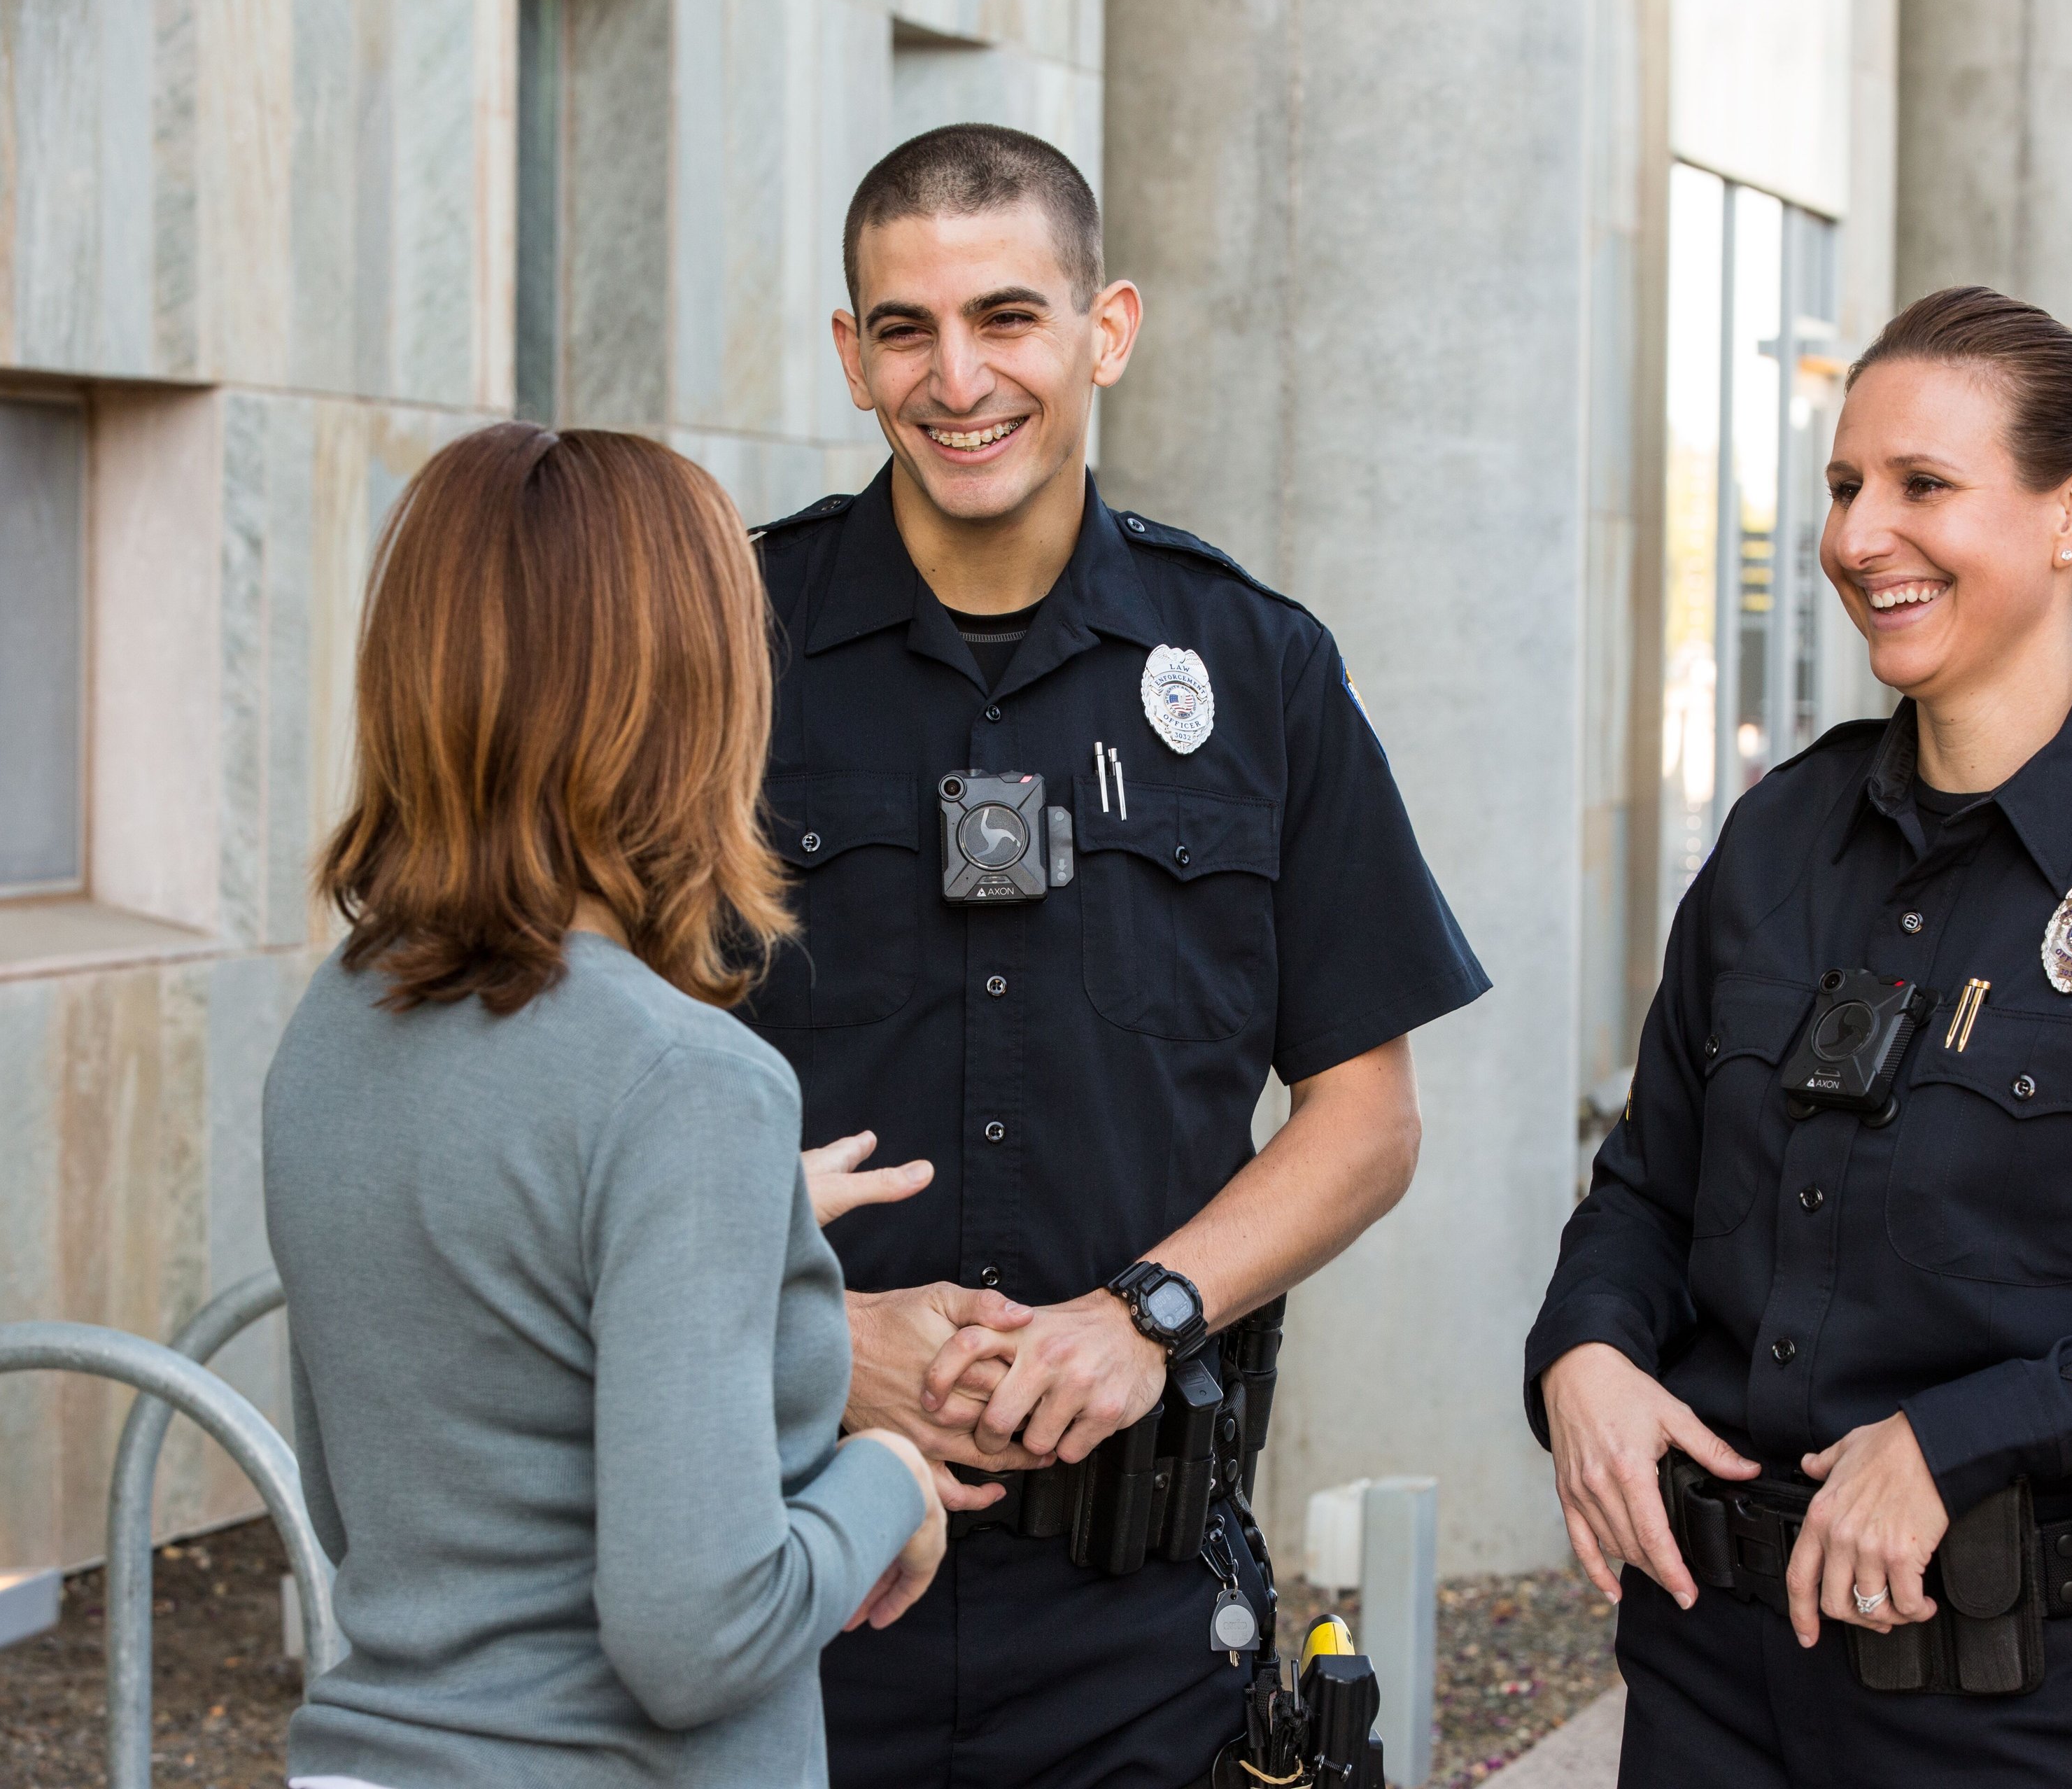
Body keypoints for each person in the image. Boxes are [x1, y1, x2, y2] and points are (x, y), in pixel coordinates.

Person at [1525, 286, 2072, 1786]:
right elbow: (1648, 1189)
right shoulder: (1777, 834)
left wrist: (1965, 1433)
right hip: (1714, 1684)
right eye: (1847, 485)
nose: (1861, 536)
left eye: (1924, 486)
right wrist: (1583, 1351)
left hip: (2044, 1701)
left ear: (2071, 517)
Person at [740, 123, 1490, 1788]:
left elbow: (1368, 1120)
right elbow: (579, 1096)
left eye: (1008, 317)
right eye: (908, 329)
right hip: (779, 1578)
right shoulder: (721, 651)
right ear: (851, 357)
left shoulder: (1260, 666)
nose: (960, 378)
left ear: (1107, 329)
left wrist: (1145, 1314)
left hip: (1134, 1621)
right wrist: (806, 1332)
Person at [265, 423, 947, 1788]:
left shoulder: (331, 1027)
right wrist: (895, 1482)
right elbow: (694, 1637)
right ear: (689, 694)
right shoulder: (686, 1081)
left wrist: (720, 1216)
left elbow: (366, 1513)